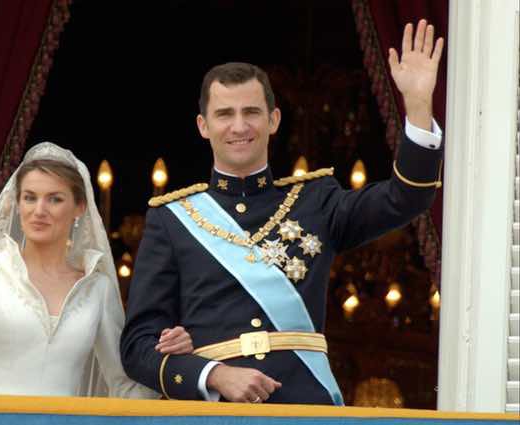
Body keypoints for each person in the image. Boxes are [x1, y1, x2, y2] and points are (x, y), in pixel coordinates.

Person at [120, 20, 444, 405]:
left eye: (251, 112)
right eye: (225, 114)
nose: (239, 126)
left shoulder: (316, 200)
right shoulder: (172, 219)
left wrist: (420, 105)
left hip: (305, 404)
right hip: (213, 412)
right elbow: (138, 347)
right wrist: (214, 374)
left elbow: (406, 198)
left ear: (273, 120)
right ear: (203, 127)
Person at [0, 142, 193, 396]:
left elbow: (123, 385)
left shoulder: (96, 287)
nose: (39, 210)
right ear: (17, 205)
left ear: (79, 208)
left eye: (55, 199)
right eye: (29, 198)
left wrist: (171, 367)